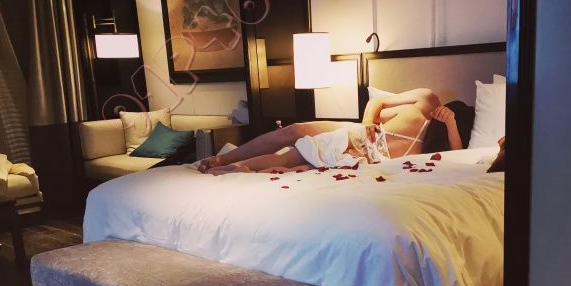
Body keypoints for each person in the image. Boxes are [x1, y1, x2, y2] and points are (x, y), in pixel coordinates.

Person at [197, 88, 462, 174]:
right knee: (294, 131)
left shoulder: (435, 149)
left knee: (297, 159)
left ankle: (235, 168)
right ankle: (222, 159)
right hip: (361, 132)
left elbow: (458, 155)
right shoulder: (427, 99)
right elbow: (377, 102)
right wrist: (368, 122)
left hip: (363, 155)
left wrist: (452, 124)